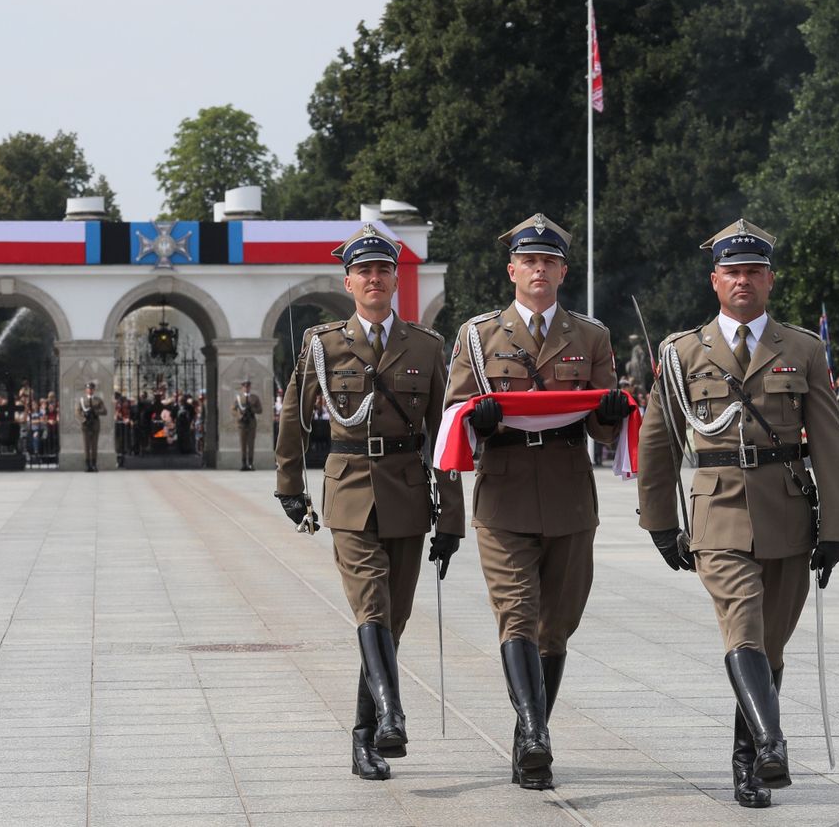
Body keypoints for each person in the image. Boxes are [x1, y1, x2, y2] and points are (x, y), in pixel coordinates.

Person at [637, 218, 839, 809]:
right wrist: (660, 522)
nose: (743, 280)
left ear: (770, 280)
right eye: (732, 272)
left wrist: (837, 528)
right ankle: (771, 743)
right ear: (714, 280)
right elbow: (658, 444)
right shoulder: (682, 352)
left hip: (787, 510)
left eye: (754, 271)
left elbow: (828, 444)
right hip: (719, 511)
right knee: (743, 626)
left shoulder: (802, 349)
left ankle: (748, 760)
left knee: (769, 646)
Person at [444, 213, 630, 790]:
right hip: (504, 493)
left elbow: (602, 430)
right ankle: (533, 734)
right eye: (529, 261)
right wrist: (480, 419)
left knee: (557, 626)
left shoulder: (590, 337)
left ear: (563, 271)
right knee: (517, 612)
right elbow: (452, 414)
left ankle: (531, 732)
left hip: (569, 491)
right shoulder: (478, 336)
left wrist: (610, 414)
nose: (539, 269)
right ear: (512, 271)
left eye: (549, 261)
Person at [275, 223, 464, 782]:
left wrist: (451, 517)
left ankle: (364, 737)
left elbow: (445, 435)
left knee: (393, 619)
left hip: (407, 492)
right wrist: (290, 486)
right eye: (365, 271)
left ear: (395, 280)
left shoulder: (426, 346)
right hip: (350, 489)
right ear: (349, 282)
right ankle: (391, 714)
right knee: (371, 607)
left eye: (384, 270)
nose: (375, 278)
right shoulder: (324, 344)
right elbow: (293, 417)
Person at [76, 381, 107, 472]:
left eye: (91, 389)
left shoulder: (98, 400)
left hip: (95, 424)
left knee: (94, 445)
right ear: (86, 390)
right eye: (88, 389)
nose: (90, 390)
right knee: (86, 445)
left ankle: (94, 464)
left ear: (94, 390)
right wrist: (84, 419)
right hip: (86, 424)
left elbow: (105, 411)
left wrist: (95, 412)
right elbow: (77, 412)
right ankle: (87, 465)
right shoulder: (82, 400)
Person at [234, 378, 263, 470]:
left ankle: (250, 463)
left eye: (248, 386)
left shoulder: (254, 398)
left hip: (251, 424)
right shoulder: (239, 398)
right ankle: (243, 463)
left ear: (250, 387)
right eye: (244, 386)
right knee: (243, 444)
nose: (246, 388)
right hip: (242, 424)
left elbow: (260, 410)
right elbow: (233, 409)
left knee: (251, 444)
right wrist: (239, 416)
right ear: (242, 387)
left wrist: (252, 409)